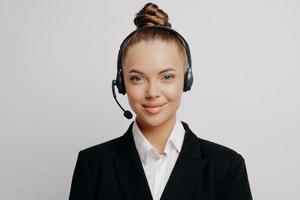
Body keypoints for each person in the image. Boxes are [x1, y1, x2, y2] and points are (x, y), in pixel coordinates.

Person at [69, 2, 252, 200]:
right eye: (137, 78)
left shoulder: (227, 166)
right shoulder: (93, 165)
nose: (152, 92)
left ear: (186, 79)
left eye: (167, 77)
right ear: (121, 84)